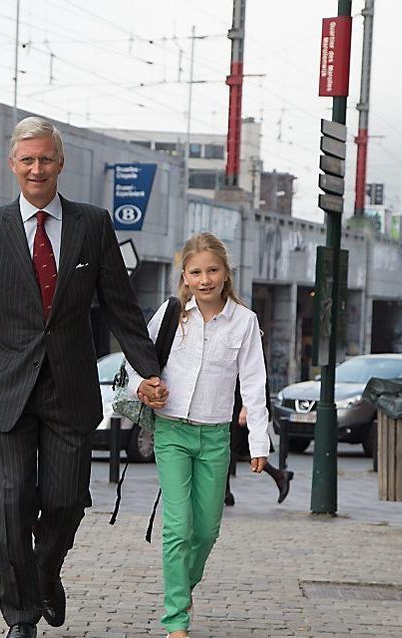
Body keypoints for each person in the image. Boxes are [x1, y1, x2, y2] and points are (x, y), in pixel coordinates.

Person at [0, 116, 166, 638]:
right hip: (6, 386)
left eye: (45, 158)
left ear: (60, 163)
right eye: (27, 160)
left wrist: (148, 369)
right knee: (9, 501)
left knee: (66, 500)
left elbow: (120, 306)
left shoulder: (92, 224)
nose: (37, 168)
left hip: (70, 386)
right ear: (13, 165)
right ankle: (20, 616)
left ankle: (44, 575)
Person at [127, 232, 270, 638]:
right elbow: (139, 360)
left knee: (206, 530)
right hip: (171, 431)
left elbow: (255, 384)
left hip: (215, 437)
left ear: (226, 274)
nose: (204, 279)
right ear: (184, 277)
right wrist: (144, 386)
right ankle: (176, 621)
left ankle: (181, 588)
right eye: (195, 272)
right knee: (178, 525)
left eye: (212, 270)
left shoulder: (245, 322)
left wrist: (259, 443)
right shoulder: (171, 315)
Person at [224, 379, 293, 506]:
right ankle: (226, 493)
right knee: (231, 446)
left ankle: (280, 476)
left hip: (242, 403)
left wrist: (246, 407)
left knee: (234, 447)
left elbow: (254, 377)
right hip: (234, 400)